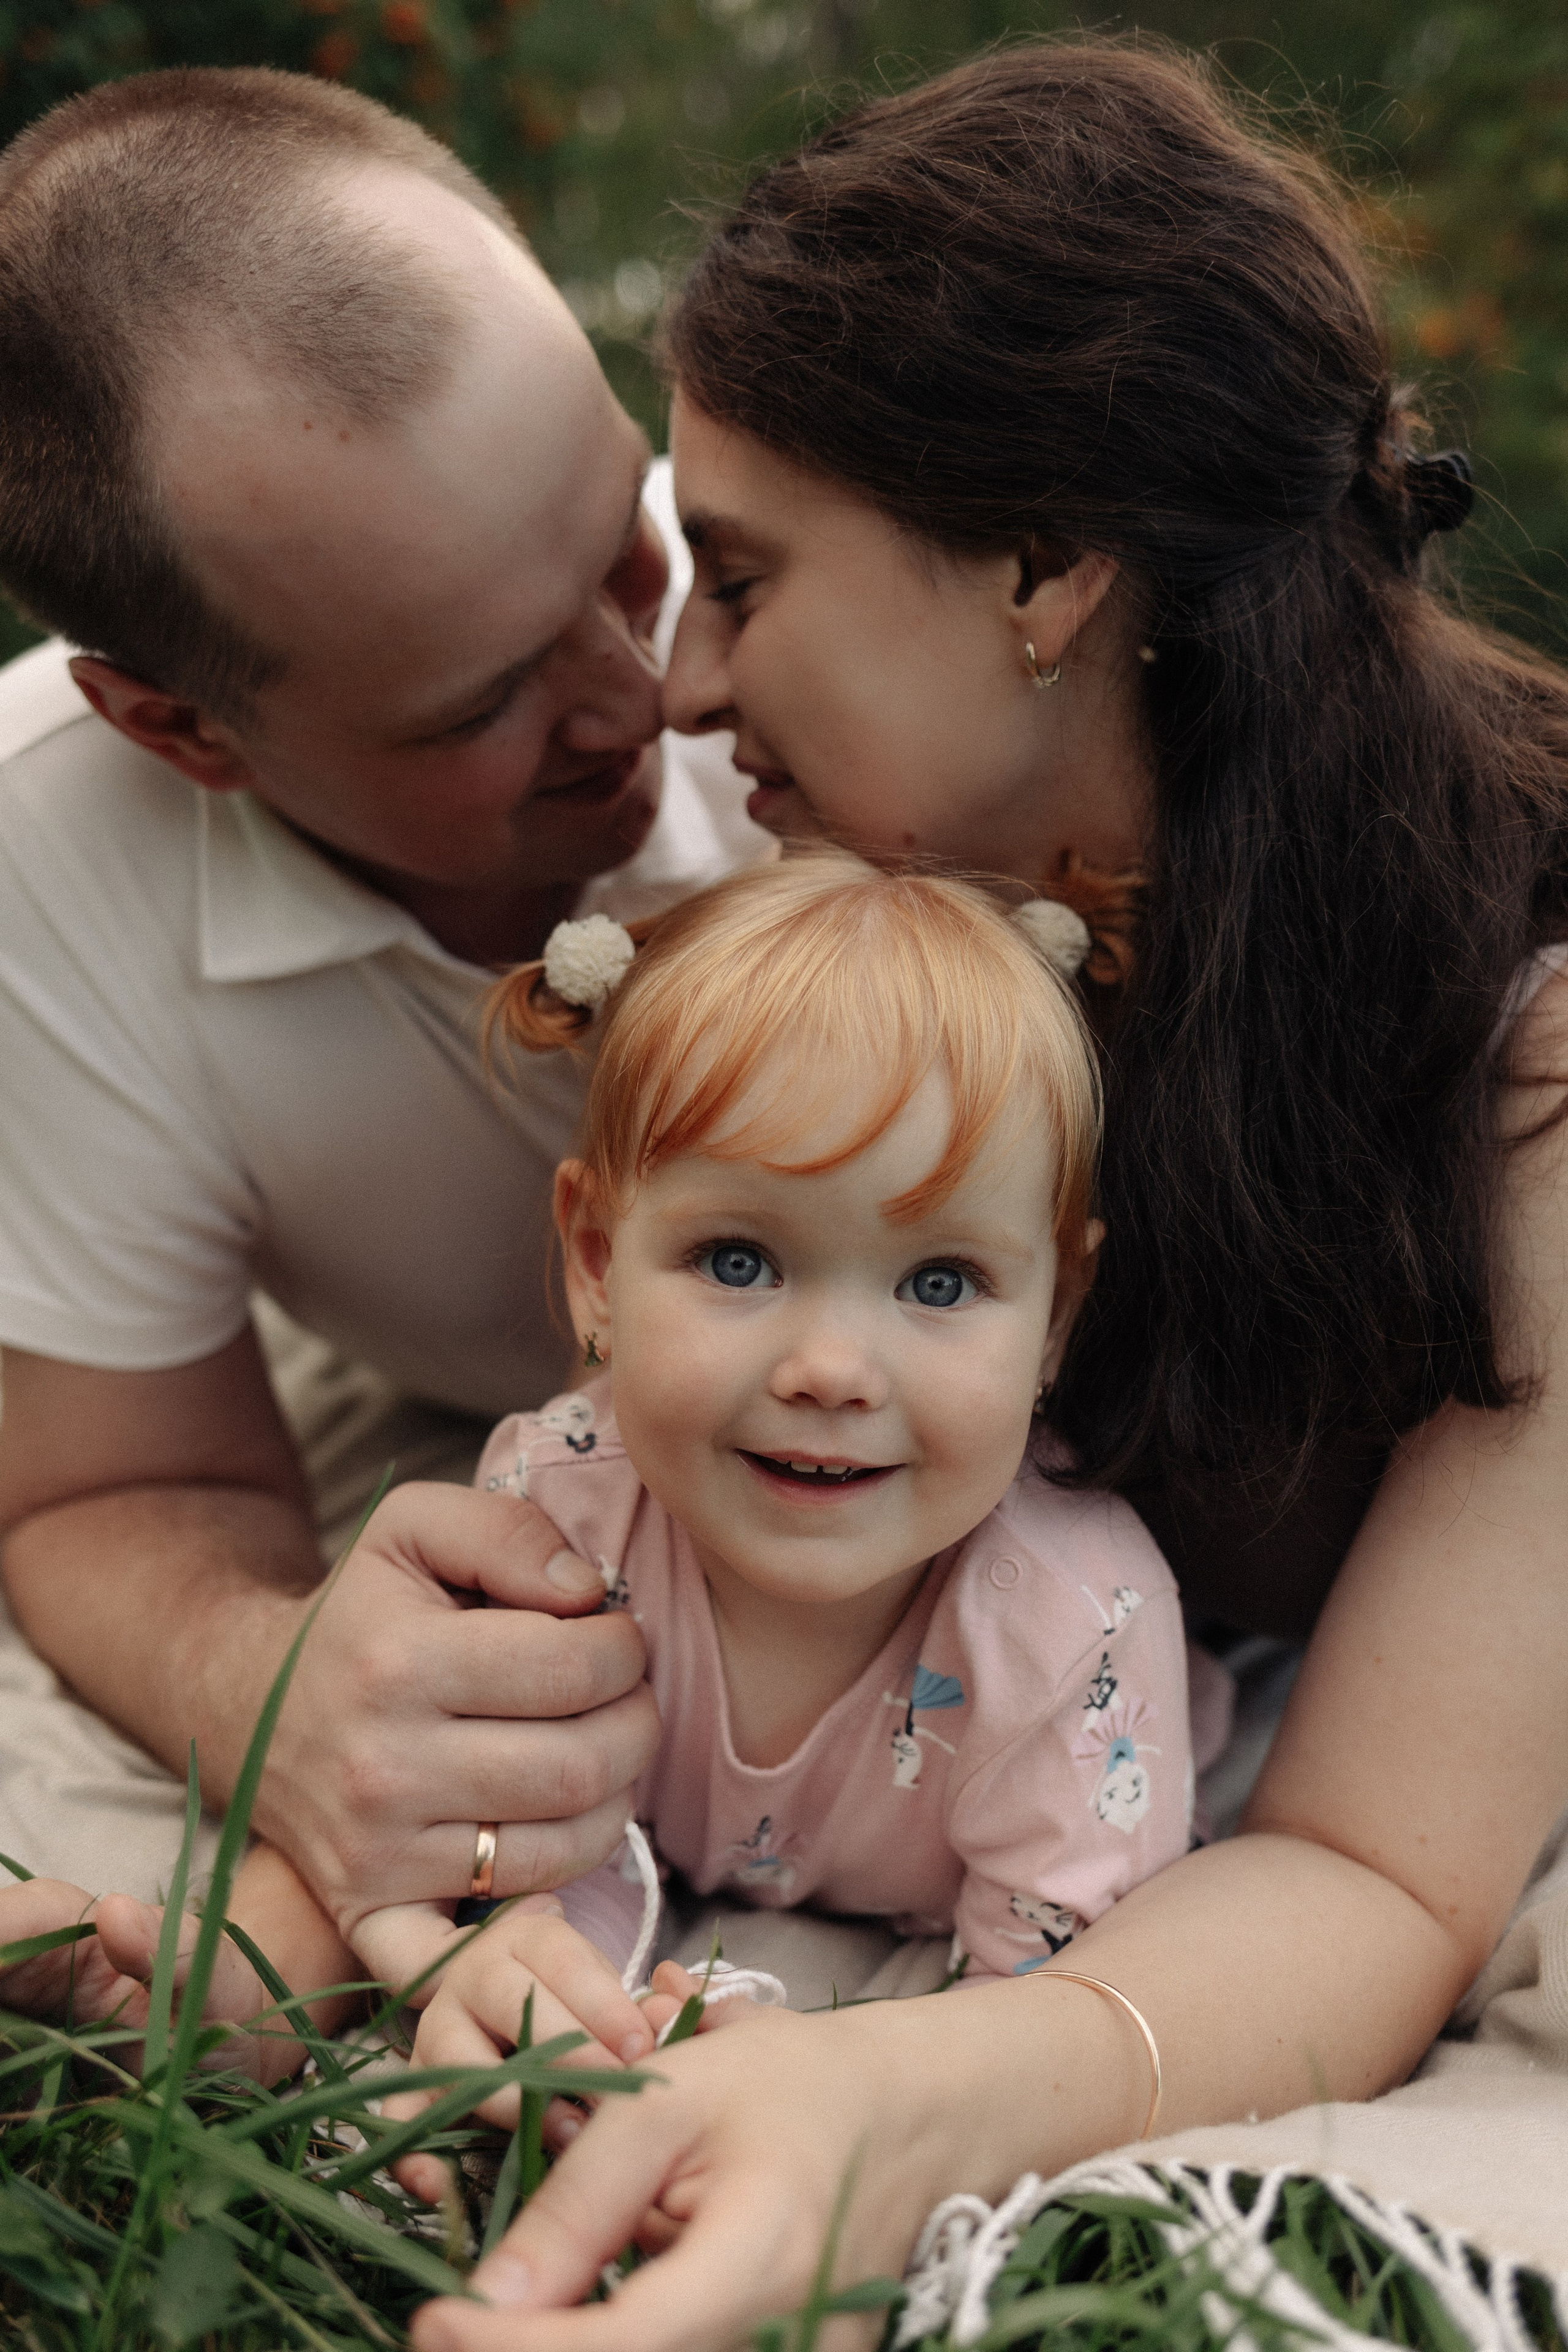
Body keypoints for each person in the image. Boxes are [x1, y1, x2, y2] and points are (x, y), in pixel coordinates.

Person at [399, 37, 1568, 2352]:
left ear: (1044, 568)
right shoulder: (880, 884)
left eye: (736, 576)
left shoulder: (1527, 1039)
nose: (686, 689)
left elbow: (1382, 1858)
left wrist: (887, 2109)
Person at [11, 858, 1186, 2122]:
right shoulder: (559, 1508)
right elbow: (487, 1820)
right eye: (738, 1259)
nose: (832, 1371)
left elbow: (1027, 2025)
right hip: (633, 1846)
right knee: (367, 1843)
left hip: (993, 1881)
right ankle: (227, 1998)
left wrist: (762, 2063)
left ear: (1056, 1315)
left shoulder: (1075, 1635)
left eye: (940, 1283)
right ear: (593, 1265)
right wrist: (558, 1991)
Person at [0, 68, 764, 1923]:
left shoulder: (822, 612)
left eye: (627, 547)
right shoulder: (43, 853)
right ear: (178, 730)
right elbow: (109, 1491)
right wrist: (267, 1687)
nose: (647, 689)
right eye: (479, 702)